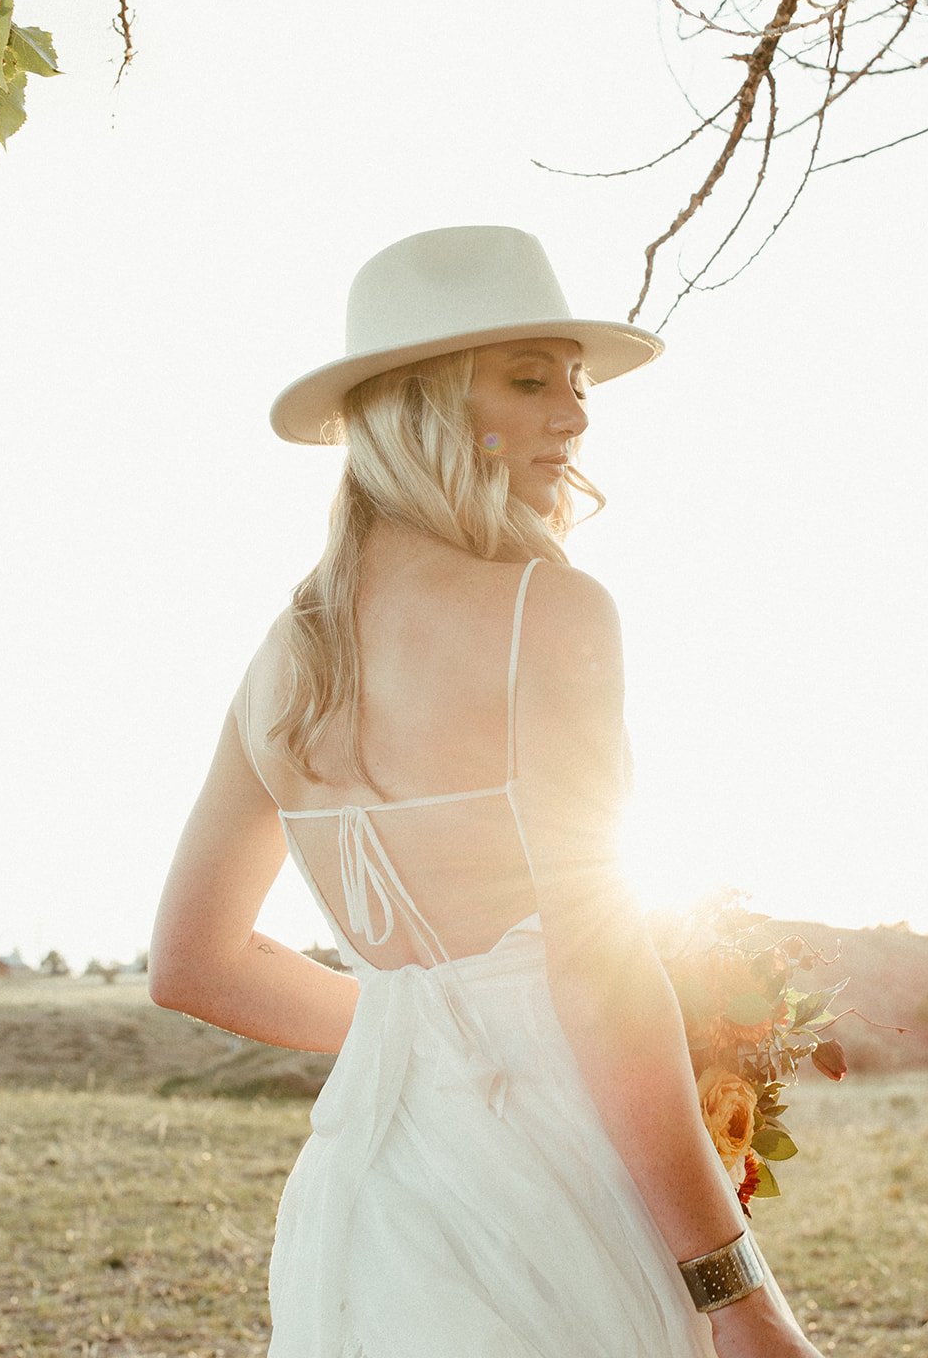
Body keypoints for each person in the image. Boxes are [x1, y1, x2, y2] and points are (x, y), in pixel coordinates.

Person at [149, 225, 824, 1357]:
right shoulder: (551, 614)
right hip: (552, 1189)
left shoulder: (282, 659)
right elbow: (601, 983)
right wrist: (743, 1301)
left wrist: (420, 1024)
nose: (575, 414)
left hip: (369, 1201)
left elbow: (192, 960)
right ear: (421, 403)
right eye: (529, 380)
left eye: (575, 383)